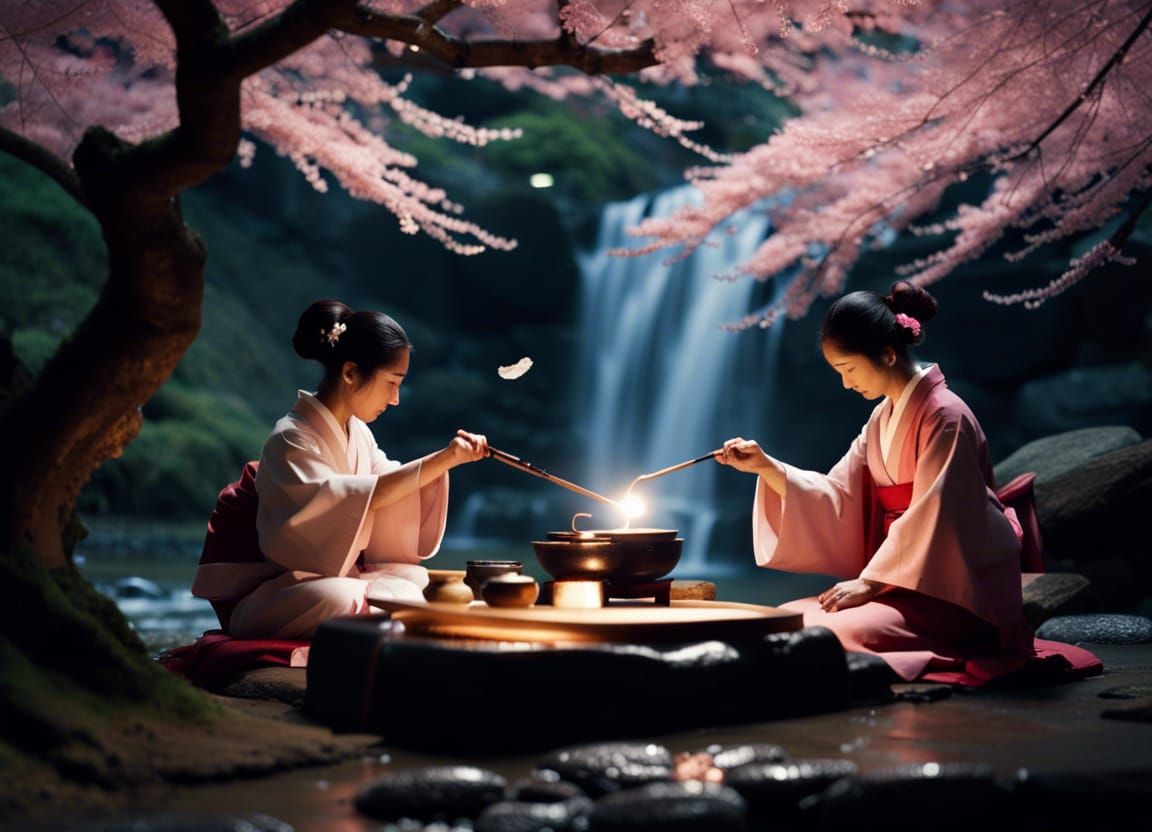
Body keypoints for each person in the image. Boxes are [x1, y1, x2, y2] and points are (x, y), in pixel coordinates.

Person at [717, 281, 1077, 682]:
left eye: (849, 369)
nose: (846, 383)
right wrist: (768, 468)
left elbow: (936, 513)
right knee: (786, 619)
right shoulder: (881, 419)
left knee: (823, 634)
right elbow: (839, 494)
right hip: (902, 579)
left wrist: (871, 582)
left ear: (888, 355)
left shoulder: (945, 416)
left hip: (954, 589)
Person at [192, 300, 488, 640]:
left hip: (334, 579)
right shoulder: (290, 438)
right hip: (277, 592)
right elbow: (362, 496)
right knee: (343, 598)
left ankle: (383, 621)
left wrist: (447, 459)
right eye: (392, 383)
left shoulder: (359, 433)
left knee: (417, 581)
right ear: (350, 373)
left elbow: (390, 487)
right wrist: (446, 458)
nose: (395, 399)